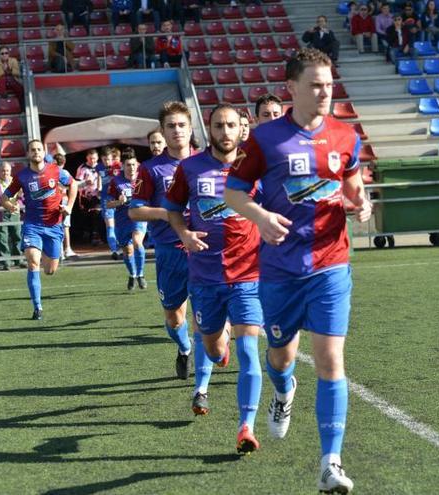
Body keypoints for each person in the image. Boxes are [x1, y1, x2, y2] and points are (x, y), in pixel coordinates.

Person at [224, 48, 372, 494]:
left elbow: (351, 178)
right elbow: (233, 194)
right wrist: (261, 217)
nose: (325, 91)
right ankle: (284, 392)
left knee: (331, 361)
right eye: (315, 84)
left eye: (328, 83)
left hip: (331, 264)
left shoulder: (346, 135)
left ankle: (331, 462)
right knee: (281, 358)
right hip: (280, 270)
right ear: (292, 87)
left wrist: (361, 202)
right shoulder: (265, 139)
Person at [164, 104, 264, 454]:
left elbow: (273, 206)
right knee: (214, 348)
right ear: (209, 129)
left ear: (241, 129)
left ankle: (246, 427)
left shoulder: (255, 166)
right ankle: (216, 347)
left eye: (231, 125)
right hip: (205, 276)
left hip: (248, 273)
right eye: (219, 125)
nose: (225, 132)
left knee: (249, 350)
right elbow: (174, 209)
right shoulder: (189, 168)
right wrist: (185, 233)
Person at [128, 101, 196, 380]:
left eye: (182, 125)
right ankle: (185, 349)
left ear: (191, 128)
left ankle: (208, 365)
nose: (177, 130)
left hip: (205, 249)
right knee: (174, 317)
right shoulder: (151, 169)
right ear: (163, 132)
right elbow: (134, 210)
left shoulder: (207, 161)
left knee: (212, 315)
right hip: (170, 251)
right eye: (171, 126)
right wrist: (169, 214)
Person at [1, 140, 78, 320]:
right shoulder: (22, 176)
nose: (36, 152)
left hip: (54, 225)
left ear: (43, 152)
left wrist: (69, 207)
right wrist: (9, 206)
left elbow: (73, 184)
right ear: (28, 154)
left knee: (50, 270)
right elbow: (5, 196)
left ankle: (44, 252)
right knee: (33, 262)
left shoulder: (56, 170)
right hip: (32, 225)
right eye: (32, 150)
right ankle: (37, 308)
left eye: (39, 149)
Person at [107, 155, 147, 289]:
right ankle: (133, 274)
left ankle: (141, 275)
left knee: (137, 241)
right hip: (122, 220)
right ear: (123, 166)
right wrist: (119, 201)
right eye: (128, 165)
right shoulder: (116, 181)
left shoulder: (143, 180)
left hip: (138, 216)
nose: (131, 168)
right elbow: (108, 204)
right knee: (128, 251)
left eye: (134, 165)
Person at [0, 162, 24, 270]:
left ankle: (19, 260)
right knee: (3, 239)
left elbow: (23, 198)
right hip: (1, 214)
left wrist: (19, 204)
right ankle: (7, 262)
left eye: (7, 170)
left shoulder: (16, 183)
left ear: (10, 171)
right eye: (3, 170)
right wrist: (5, 203)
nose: (5, 173)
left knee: (17, 237)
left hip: (15, 213)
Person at [98, 146, 123, 258]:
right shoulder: (98, 167)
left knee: (120, 224)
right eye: (104, 159)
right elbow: (99, 180)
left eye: (109, 159)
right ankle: (114, 250)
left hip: (118, 199)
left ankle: (123, 247)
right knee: (110, 225)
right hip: (106, 200)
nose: (107, 162)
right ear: (101, 159)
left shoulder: (118, 166)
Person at [76, 149, 103, 246]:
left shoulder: (101, 166)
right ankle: (87, 235)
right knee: (86, 217)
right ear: (87, 158)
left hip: (97, 195)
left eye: (94, 158)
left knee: (97, 214)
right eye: (91, 158)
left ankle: (97, 236)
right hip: (85, 196)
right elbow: (76, 184)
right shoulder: (82, 168)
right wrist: (85, 182)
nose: (92, 161)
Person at [54, 153, 77, 259]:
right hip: (59, 200)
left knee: (64, 225)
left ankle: (65, 250)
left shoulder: (64, 173)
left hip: (63, 200)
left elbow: (72, 184)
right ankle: (63, 250)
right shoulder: (57, 172)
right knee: (63, 226)